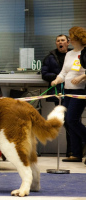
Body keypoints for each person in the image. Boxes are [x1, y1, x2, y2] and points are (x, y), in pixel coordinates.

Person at [51, 26, 86, 163]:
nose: (69, 39)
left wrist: (82, 77)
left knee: (72, 120)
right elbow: (64, 73)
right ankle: (76, 154)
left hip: (80, 92)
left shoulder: (85, 52)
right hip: (68, 91)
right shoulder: (69, 54)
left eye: (71, 37)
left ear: (78, 38)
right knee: (69, 122)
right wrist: (57, 80)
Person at [41, 34, 72, 157]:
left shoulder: (73, 56)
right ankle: (72, 150)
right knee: (65, 121)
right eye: (58, 40)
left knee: (72, 121)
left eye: (63, 40)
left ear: (68, 42)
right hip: (57, 93)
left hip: (73, 92)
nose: (60, 42)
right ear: (56, 43)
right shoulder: (49, 57)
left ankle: (74, 150)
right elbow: (44, 74)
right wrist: (59, 77)